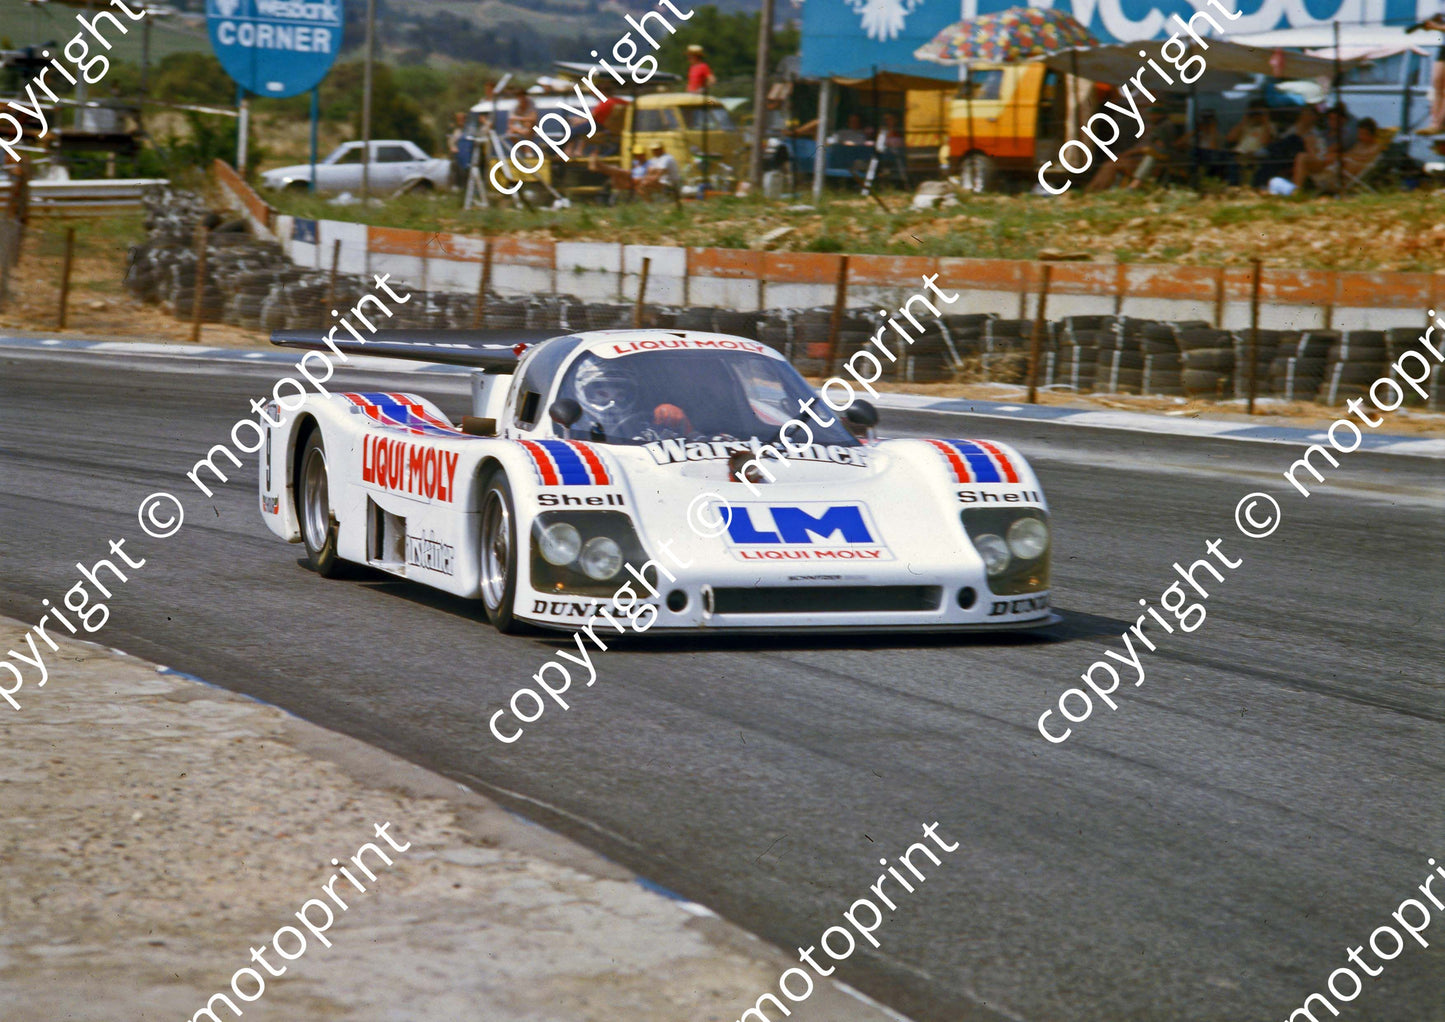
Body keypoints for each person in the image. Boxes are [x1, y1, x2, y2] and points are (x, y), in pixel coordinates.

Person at [1289, 116, 1384, 192]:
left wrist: (1341, 157)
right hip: (1334, 169)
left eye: (1364, 134)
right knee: (1303, 154)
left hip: (1340, 175)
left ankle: (1296, 190)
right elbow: (1351, 155)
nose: (1360, 136)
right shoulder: (1360, 144)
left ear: (1372, 134)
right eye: (1360, 133)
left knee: (1303, 157)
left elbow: (1362, 158)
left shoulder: (1376, 146)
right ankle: (1296, 189)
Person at [1251, 105, 1321, 188]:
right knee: (1272, 159)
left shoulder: (1315, 132)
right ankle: (1259, 183)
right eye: (1304, 113)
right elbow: (1283, 140)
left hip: (1299, 153)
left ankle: (1268, 150)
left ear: (1314, 117)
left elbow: (1312, 148)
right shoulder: (1295, 127)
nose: (1305, 116)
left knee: (1293, 139)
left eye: (1309, 114)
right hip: (1286, 153)